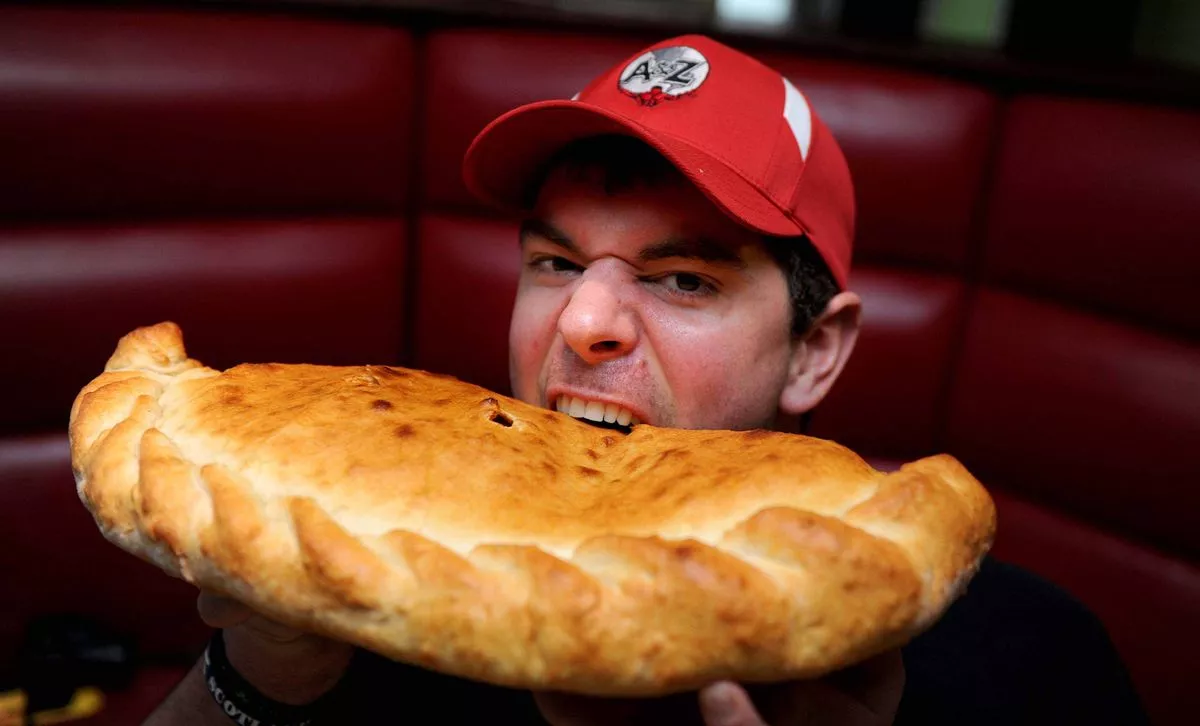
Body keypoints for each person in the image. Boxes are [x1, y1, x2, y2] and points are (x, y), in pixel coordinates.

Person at [143, 35, 1148, 726]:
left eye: (683, 278)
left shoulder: (1027, 658)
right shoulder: (390, 569)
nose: (582, 324)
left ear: (815, 352)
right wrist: (263, 679)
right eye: (556, 263)